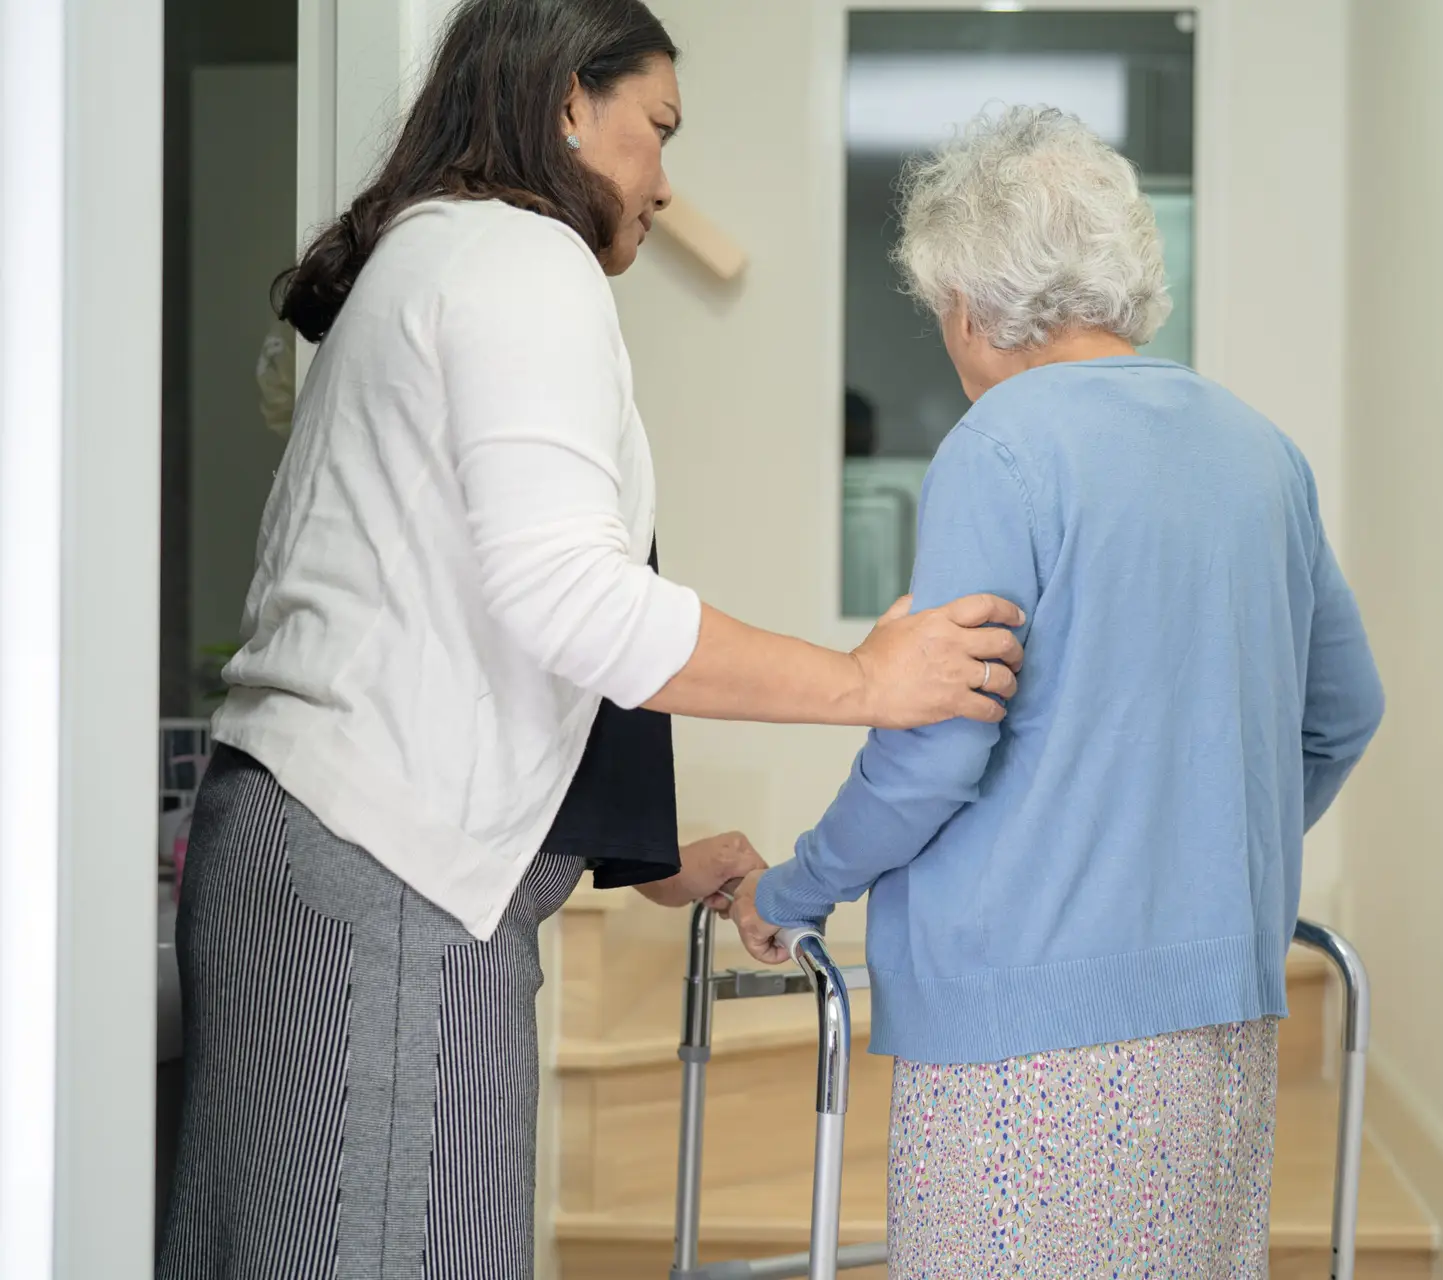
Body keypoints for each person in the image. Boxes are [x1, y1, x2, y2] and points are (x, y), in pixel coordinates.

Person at [156, 4, 1026, 1278]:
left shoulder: (437, 254)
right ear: (570, 105)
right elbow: (570, 596)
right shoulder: (519, 257)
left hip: (313, 854)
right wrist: (863, 680)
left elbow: (458, 622)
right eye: (656, 131)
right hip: (380, 883)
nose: (665, 186)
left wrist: (637, 848)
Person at [731, 106, 1384, 1279]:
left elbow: (934, 746)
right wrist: (1197, 847)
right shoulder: (1260, 450)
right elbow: (1346, 710)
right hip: (1224, 1019)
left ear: (972, 305)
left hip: (1026, 1039)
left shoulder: (1005, 444)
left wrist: (796, 884)